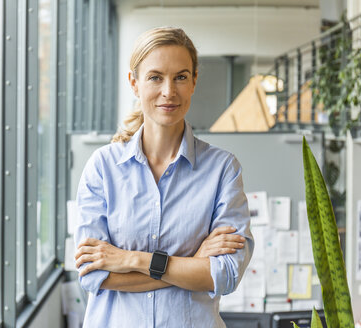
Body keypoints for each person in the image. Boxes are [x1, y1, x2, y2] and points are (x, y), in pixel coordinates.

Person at [74, 27, 254, 328]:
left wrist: (132, 260)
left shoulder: (223, 169)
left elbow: (226, 274)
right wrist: (193, 263)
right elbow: (95, 275)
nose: (169, 91)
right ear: (134, 83)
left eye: (181, 77)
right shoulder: (102, 168)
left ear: (194, 81)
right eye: (155, 77)